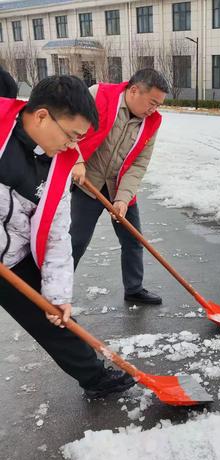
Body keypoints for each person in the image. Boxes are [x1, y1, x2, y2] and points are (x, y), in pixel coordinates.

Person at [0, 74, 135, 398]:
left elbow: (58, 234)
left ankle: (95, 378)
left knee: (52, 316)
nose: (74, 147)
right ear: (43, 115)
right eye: (71, 136)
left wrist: (58, 295)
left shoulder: (58, 164)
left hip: (12, 258)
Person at [70, 68, 169, 305]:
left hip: (119, 187)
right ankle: (54, 295)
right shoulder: (99, 95)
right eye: (152, 102)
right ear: (134, 90)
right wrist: (77, 160)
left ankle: (134, 289)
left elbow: (139, 164)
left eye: (159, 105)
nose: (153, 109)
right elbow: (69, 128)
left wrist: (123, 198)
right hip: (88, 182)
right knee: (76, 241)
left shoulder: (151, 122)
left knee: (133, 240)